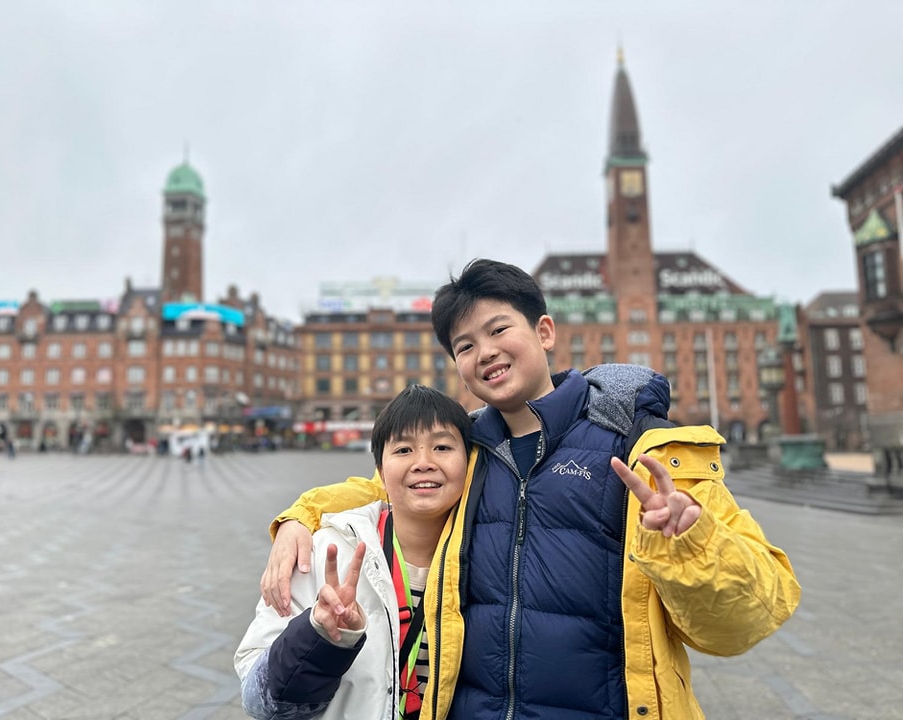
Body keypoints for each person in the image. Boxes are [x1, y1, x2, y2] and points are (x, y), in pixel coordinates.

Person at [261, 258, 802, 720]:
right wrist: (299, 518)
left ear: (544, 332)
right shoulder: (467, 453)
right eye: (465, 345)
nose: (485, 352)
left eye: (499, 330)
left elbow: (744, 625)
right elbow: (381, 485)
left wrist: (691, 541)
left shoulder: (646, 451)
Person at [235, 384, 474, 720]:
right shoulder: (324, 553)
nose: (423, 462)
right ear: (381, 470)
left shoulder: (493, 554)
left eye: (442, 447)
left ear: (470, 460)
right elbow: (259, 702)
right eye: (404, 449)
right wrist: (318, 636)